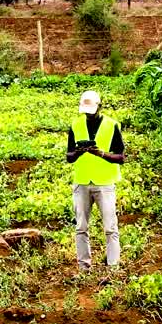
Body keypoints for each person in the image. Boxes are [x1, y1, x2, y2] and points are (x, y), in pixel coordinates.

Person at [67, 90, 125, 272]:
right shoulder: (76, 125)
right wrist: (78, 152)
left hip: (105, 183)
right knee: (81, 227)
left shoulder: (111, 125)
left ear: (100, 106)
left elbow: (121, 157)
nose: (88, 115)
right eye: (86, 112)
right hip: (82, 182)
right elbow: (68, 156)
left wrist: (101, 154)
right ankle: (84, 266)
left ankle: (113, 267)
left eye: (91, 111)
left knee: (110, 227)